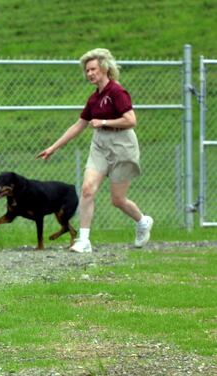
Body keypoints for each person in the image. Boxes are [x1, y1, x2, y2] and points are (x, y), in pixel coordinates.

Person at [36, 48, 153, 253]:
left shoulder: (117, 92)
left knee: (117, 200)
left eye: (93, 69)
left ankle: (142, 221)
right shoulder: (93, 99)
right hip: (100, 144)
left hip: (122, 145)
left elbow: (131, 120)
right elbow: (78, 125)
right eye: (87, 70)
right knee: (87, 189)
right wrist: (53, 147)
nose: (89, 73)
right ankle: (84, 240)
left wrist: (104, 121)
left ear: (104, 69)